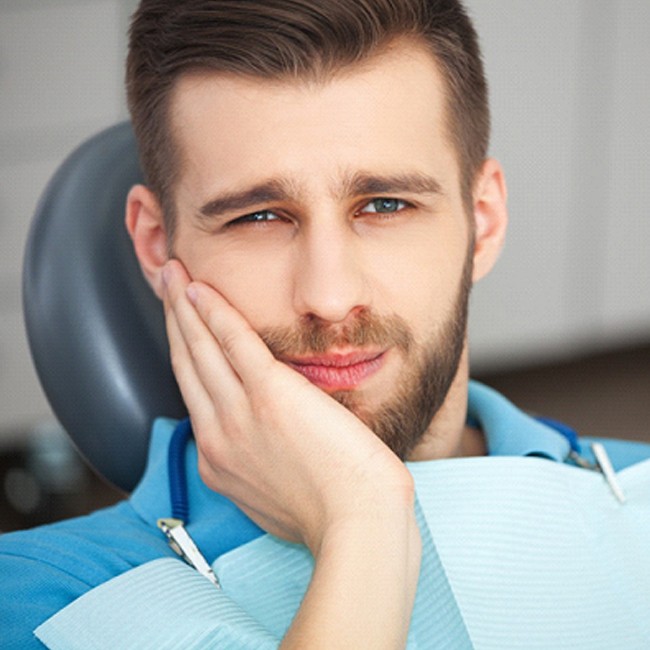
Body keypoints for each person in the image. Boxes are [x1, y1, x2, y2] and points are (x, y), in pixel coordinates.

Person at [2, 1, 650, 648]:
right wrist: (361, 528)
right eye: (258, 217)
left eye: (386, 204)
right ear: (154, 244)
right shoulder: (44, 598)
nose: (331, 297)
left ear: (482, 220)